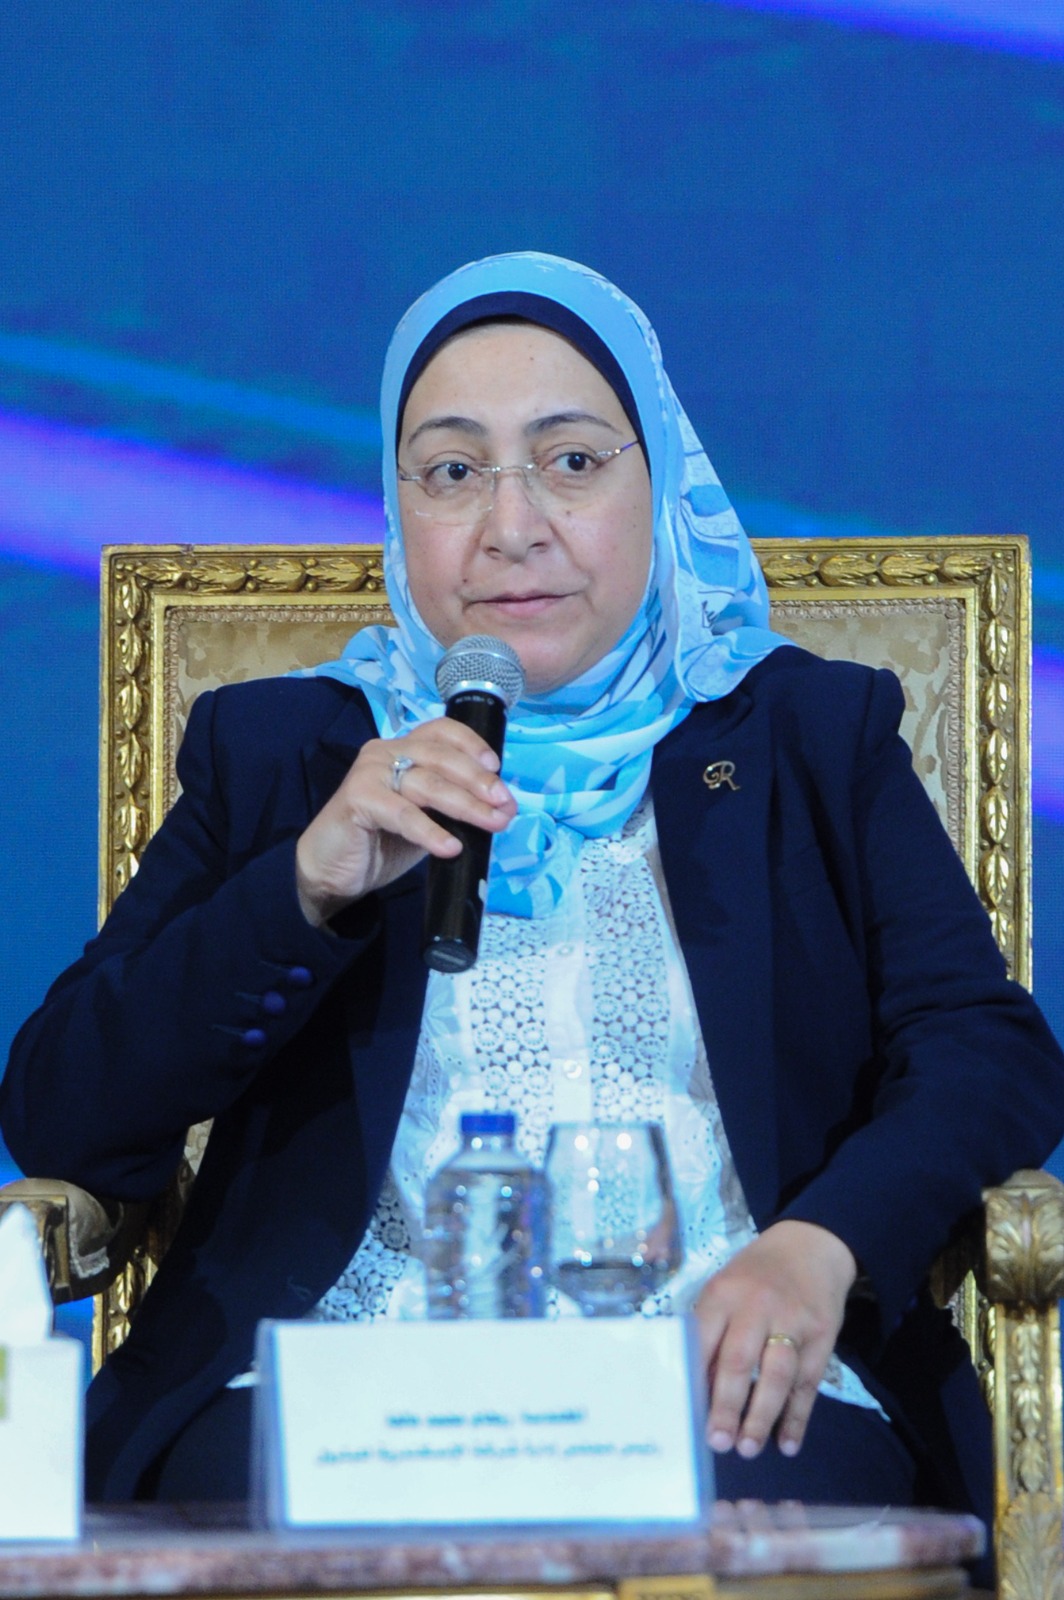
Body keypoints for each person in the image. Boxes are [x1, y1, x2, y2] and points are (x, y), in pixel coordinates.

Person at [2, 254, 1063, 1545]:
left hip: (718, 1377)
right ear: (399, 505)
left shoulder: (807, 737)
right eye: (453, 471)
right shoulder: (284, 754)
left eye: (569, 462)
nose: (512, 526)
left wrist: (821, 1246)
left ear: (658, 481)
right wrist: (303, 887)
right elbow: (63, 1112)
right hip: (340, 1384)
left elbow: (985, 1050)